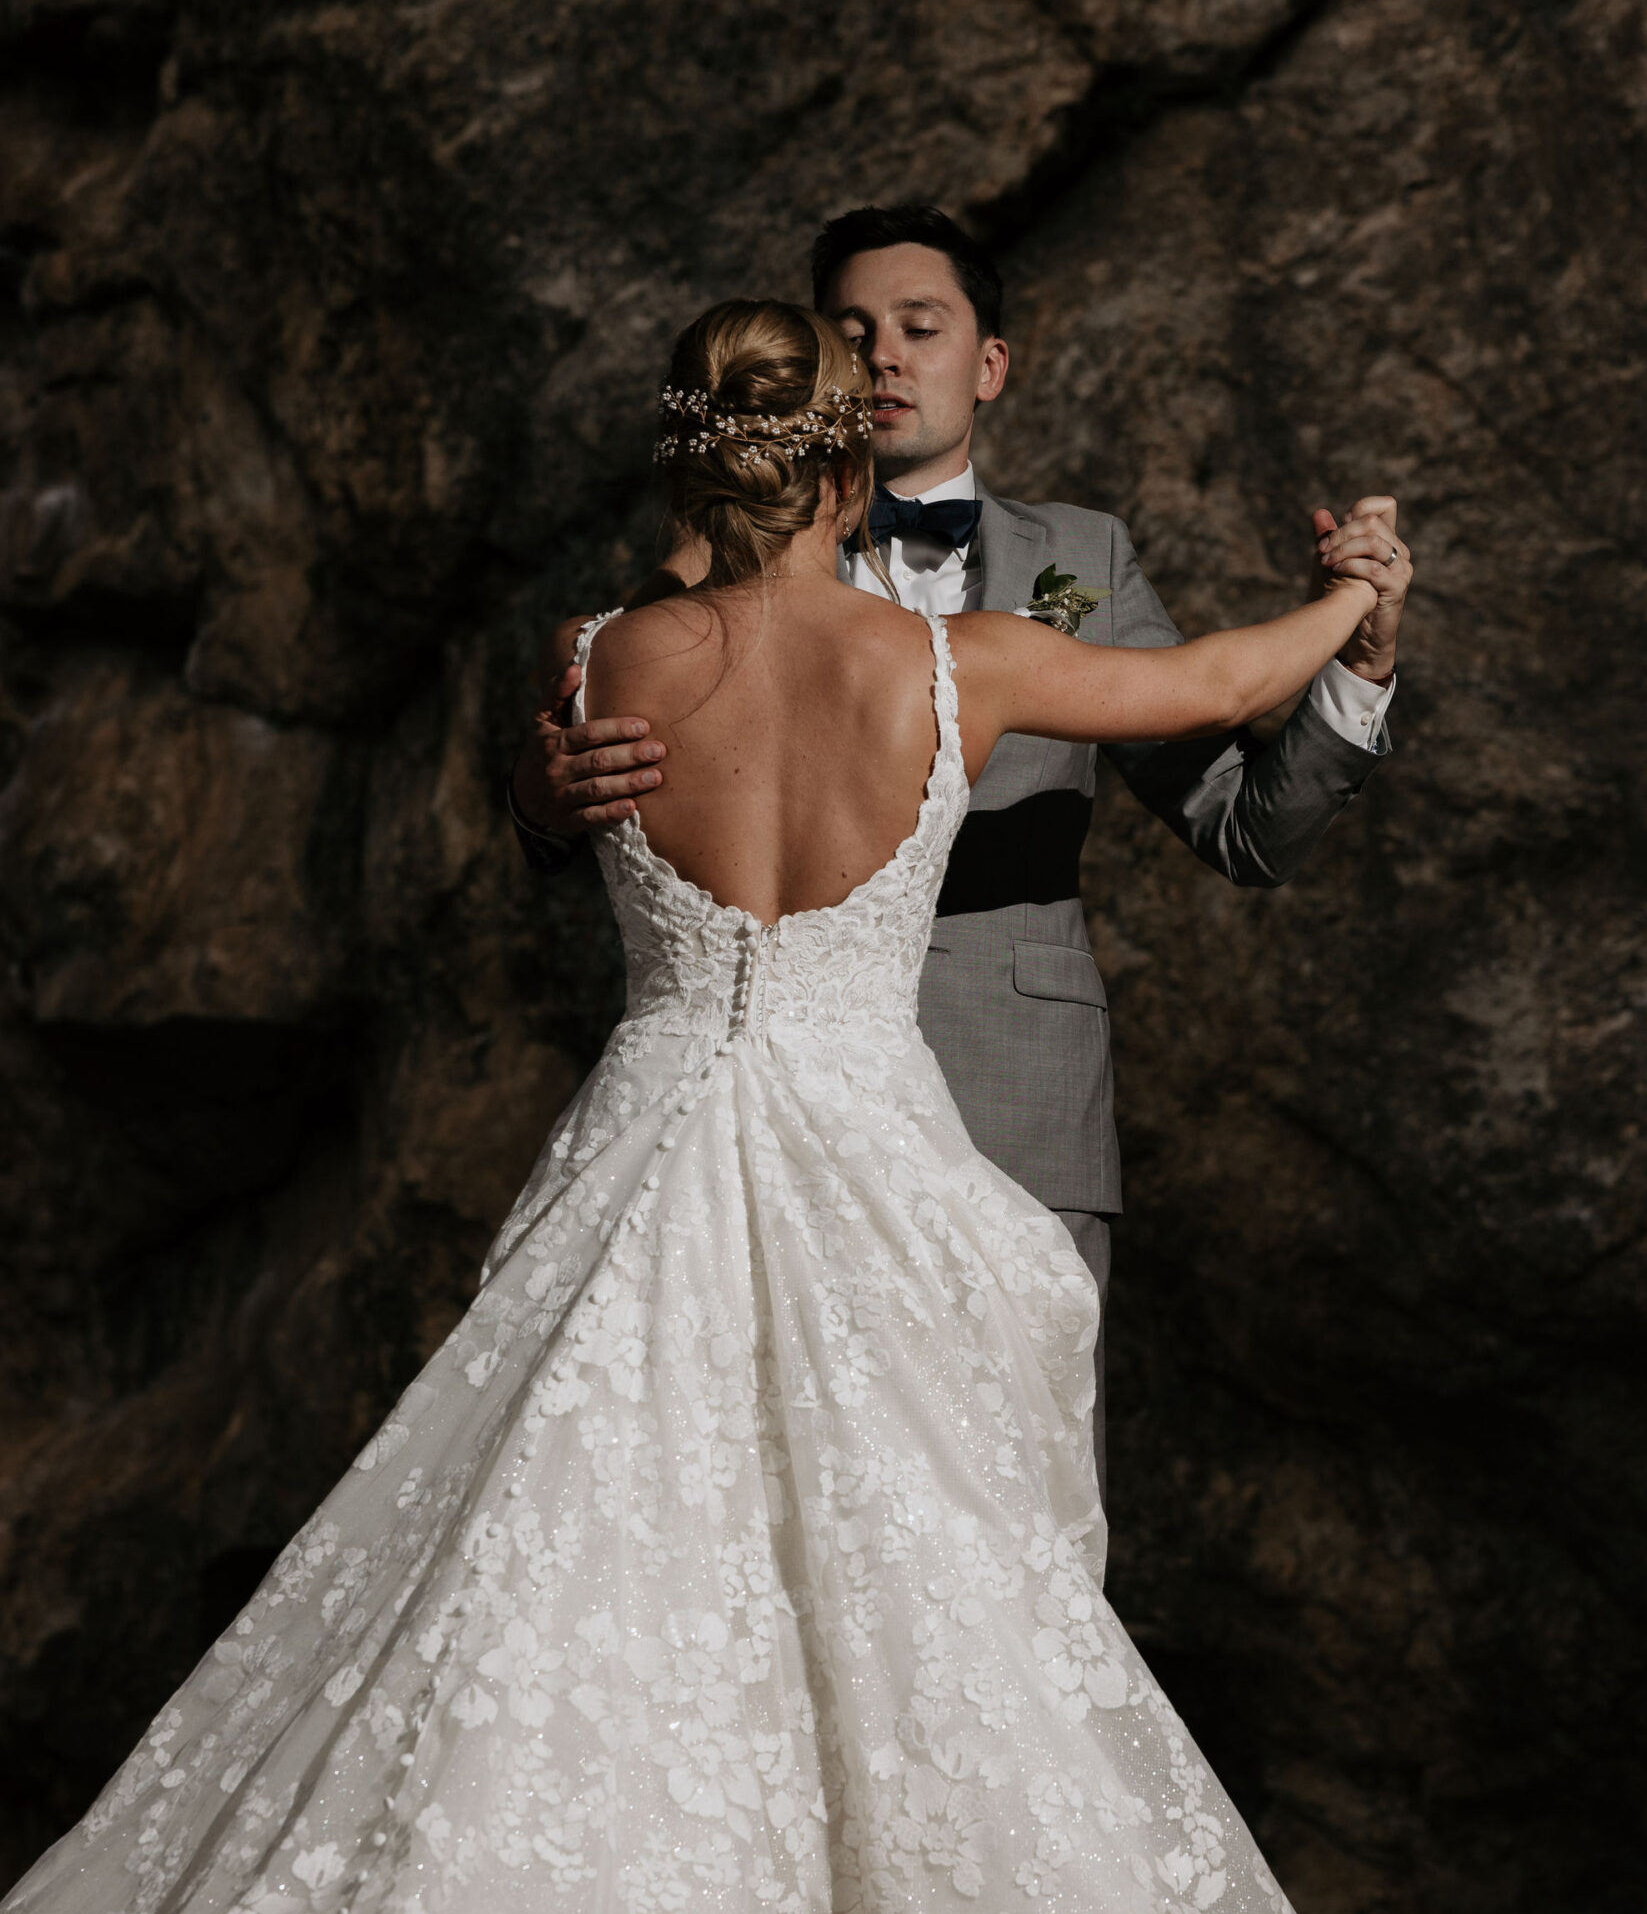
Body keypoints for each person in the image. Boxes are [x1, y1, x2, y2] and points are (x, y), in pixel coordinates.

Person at [0, 301, 1397, 1914]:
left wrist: (530, 788)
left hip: (649, 1147)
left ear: (695, 466)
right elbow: (1210, 682)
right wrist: (1346, 601)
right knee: (915, 1597)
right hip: (863, 1156)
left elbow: (541, 812)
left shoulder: (592, 663)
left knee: (576, 1586)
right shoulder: (954, 663)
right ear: (842, 472)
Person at [512, 205, 1409, 1489]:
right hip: (740, 1124)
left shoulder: (1082, 560)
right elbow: (598, 775)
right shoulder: (682, 595)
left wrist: (1362, 661)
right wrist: (538, 794)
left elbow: (1243, 825)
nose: (883, 357)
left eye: (920, 328)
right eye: (851, 332)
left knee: (1005, 1530)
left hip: (1018, 1107)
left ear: (989, 361)